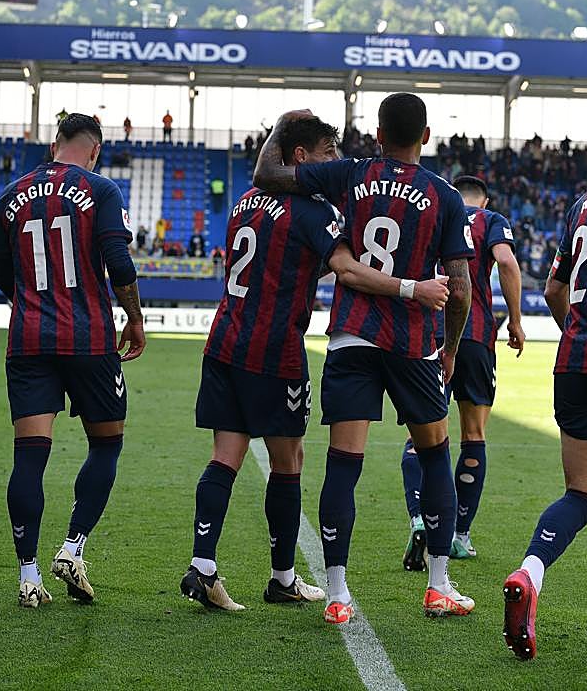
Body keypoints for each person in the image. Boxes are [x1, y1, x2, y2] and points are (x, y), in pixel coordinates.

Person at [182, 112, 450, 611]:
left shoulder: (245, 203)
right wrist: (412, 287)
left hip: (223, 342)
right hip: (273, 349)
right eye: (328, 151)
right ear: (301, 157)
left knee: (225, 457)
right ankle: (283, 576)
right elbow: (348, 270)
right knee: (290, 461)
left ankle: (203, 564)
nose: (335, 161)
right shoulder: (311, 213)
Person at [253, 95, 475, 624]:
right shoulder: (445, 196)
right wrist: (450, 348)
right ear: (426, 135)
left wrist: (286, 123)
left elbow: (267, 173)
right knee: (435, 456)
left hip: (352, 337)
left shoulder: (349, 173)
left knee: (342, 465)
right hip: (414, 345)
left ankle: (336, 594)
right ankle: (439, 585)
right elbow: (461, 288)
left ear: (377, 133)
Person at [0, 112, 146, 609]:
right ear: (96, 150)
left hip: (29, 339)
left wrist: (35, 305)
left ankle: (28, 575)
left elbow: (3, 276)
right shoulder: (101, 190)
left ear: (55, 142)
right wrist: (135, 317)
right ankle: (73, 547)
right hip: (89, 338)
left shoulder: (8, 196)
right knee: (107, 444)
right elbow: (118, 263)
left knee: (29, 455)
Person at [503, 131, 587, 659]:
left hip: (575, 364)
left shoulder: (584, 202)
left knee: (582, 494)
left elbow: (554, 289)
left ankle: (530, 572)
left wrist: (583, 338)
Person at [400, 175, 524, 569]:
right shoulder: (490, 220)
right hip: (473, 337)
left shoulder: (434, 212)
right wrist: (516, 321)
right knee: (474, 434)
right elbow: (505, 260)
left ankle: (419, 517)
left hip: (429, 332)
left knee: (420, 434)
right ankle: (458, 535)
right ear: (484, 198)